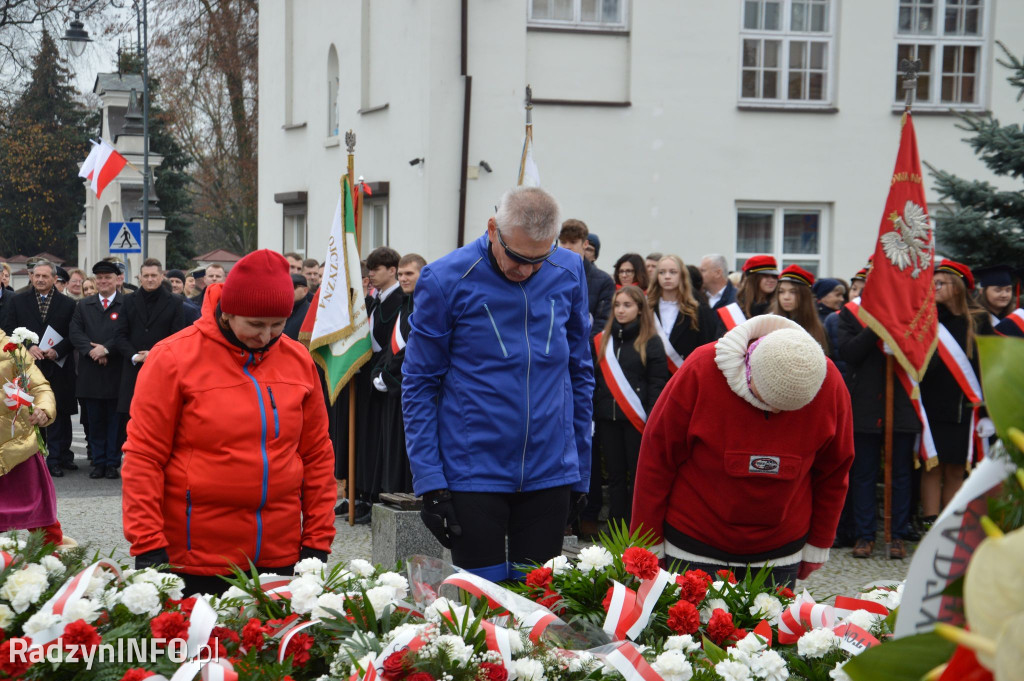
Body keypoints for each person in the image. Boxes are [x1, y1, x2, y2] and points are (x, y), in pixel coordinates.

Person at [403, 186, 593, 581]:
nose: (526, 271)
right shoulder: (445, 278)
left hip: (550, 469)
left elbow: (580, 372)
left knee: (537, 603)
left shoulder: (569, 269)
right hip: (474, 470)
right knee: (483, 604)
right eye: (517, 257)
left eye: (539, 260)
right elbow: (419, 383)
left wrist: (581, 470)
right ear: (493, 229)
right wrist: (430, 481)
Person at [121, 249, 336, 595]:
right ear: (228, 312)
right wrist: (147, 544)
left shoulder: (298, 360)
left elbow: (316, 456)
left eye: (278, 325)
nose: (266, 336)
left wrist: (317, 541)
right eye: (255, 325)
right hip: (196, 557)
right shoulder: (173, 357)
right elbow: (144, 457)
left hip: (278, 554)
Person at [631, 316, 854, 586]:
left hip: (780, 550)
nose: (777, 411)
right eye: (770, 400)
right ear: (749, 371)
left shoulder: (828, 381)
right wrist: (647, 543)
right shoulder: (701, 369)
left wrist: (819, 542)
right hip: (695, 542)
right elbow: (657, 458)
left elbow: (834, 470)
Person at [835, 292, 921, 559]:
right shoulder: (850, 313)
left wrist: (902, 343)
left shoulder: (912, 311)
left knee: (901, 475)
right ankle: (865, 535)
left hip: (903, 405)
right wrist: (876, 327)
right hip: (865, 406)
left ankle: (897, 535)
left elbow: (928, 357)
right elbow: (849, 353)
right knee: (864, 474)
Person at [919, 261, 994, 523]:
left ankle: (950, 523)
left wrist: (988, 412)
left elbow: (990, 367)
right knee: (932, 466)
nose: (935, 288)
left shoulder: (979, 319)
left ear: (958, 287)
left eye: (941, 283)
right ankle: (930, 520)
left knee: (955, 469)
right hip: (931, 405)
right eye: (933, 283)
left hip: (964, 408)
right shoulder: (928, 319)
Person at [591, 286, 668, 531]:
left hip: (637, 420)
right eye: (617, 305)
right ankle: (615, 529)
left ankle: (636, 529)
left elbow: (657, 383)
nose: (621, 310)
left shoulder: (651, 341)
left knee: (637, 476)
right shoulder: (603, 340)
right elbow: (595, 380)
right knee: (614, 476)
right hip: (608, 418)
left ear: (640, 309)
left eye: (627, 305)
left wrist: (652, 416)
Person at [1, 260, 78, 478]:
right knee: (30, 413)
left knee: (57, 411)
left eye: (45, 276)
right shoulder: (18, 301)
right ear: (31, 277)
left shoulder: (68, 304)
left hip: (57, 366)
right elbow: (9, 329)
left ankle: (56, 458)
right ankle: (36, 457)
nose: (40, 280)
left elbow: (73, 333)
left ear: (55, 279)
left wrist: (57, 351)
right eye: (37, 276)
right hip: (27, 367)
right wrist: (28, 347)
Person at [368, 253, 427, 496]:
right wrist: (379, 371)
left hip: (412, 387)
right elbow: (391, 346)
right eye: (401, 274)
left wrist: (390, 376)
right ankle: (391, 493)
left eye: (409, 274)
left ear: (423, 274)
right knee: (391, 445)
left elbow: (415, 348)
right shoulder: (405, 303)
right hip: (395, 388)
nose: (403, 278)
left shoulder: (426, 305)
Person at [0, 329, 64, 546]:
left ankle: (52, 562)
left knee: (44, 522)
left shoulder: (12, 348)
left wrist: (44, 409)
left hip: (17, 446)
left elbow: (40, 387)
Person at [113, 258, 187, 436]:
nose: (150, 279)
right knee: (130, 424)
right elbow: (120, 335)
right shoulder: (128, 300)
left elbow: (178, 337)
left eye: (154, 275)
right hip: (133, 371)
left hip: (163, 371)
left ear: (161, 276)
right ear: (140, 277)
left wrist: (155, 354)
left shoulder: (175, 302)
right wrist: (134, 356)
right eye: (146, 276)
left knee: (160, 421)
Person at [70, 261, 125, 479]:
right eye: (100, 278)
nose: (103, 281)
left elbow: (127, 332)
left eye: (107, 278)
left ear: (116, 280)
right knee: (94, 421)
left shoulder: (126, 304)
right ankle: (98, 462)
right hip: (91, 373)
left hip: (116, 372)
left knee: (115, 423)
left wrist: (106, 349)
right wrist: (92, 351)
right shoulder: (84, 305)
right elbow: (75, 332)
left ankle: (112, 463)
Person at [648, 255, 719, 374]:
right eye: (662, 272)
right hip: (653, 375)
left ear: (682, 275)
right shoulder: (647, 308)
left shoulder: (698, 310)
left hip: (684, 374)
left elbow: (706, 346)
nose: (667, 276)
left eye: (673, 272)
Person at [560, 219, 614, 339]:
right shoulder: (549, 275)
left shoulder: (604, 281)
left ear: (585, 244)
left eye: (573, 242)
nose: (567, 247)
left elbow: (602, 323)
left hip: (584, 347)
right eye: (563, 242)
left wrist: (582, 347)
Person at [768, 265, 830, 353]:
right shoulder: (769, 323)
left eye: (793, 292)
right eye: (781, 291)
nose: (786, 297)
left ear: (805, 295)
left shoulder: (818, 328)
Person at [735, 255, 779, 320]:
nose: (772, 280)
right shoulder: (736, 306)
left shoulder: (780, 306)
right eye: (766, 275)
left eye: (774, 276)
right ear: (753, 279)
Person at [283, 273, 310, 340]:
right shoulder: (280, 309)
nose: (289, 290)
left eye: (294, 287)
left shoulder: (310, 312)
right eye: (287, 286)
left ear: (305, 290)